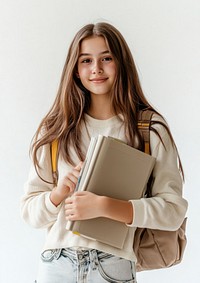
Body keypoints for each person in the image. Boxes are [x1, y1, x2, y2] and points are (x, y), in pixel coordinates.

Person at [21, 22, 188, 283]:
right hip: (56, 264)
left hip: (113, 266)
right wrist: (58, 194)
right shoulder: (56, 128)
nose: (96, 69)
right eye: (86, 60)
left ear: (121, 63)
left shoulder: (147, 128)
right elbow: (29, 212)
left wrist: (105, 206)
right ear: (75, 70)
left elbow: (172, 210)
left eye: (106, 58)